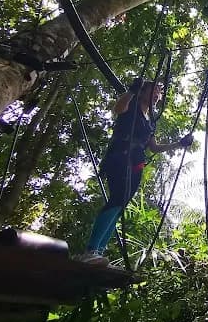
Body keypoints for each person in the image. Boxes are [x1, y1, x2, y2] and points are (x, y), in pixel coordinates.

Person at [76, 79, 193, 265]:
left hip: (136, 163)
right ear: (143, 92)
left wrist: (179, 143)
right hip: (120, 157)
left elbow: (153, 147)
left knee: (119, 206)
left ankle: (98, 250)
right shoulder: (131, 107)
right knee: (116, 200)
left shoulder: (150, 121)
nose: (157, 95)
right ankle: (90, 250)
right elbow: (118, 108)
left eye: (159, 93)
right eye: (153, 90)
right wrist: (132, 91)